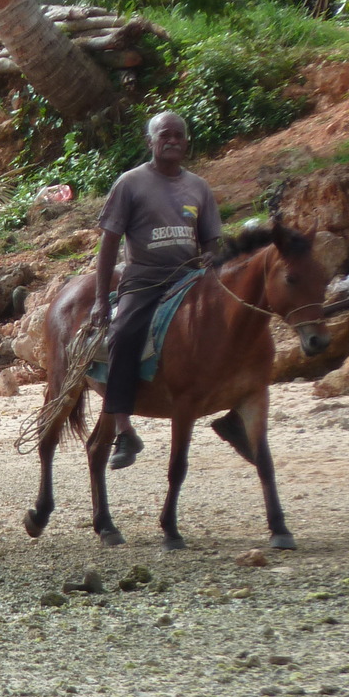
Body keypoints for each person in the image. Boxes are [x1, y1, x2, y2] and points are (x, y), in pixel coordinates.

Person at [90, 111, 222, 469]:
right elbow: (109, 243)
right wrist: (102, 299)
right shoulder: (130, 183)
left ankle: (235, 406)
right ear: (150, 142)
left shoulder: (199, 187)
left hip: (189, 278)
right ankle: (123, 429)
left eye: (179, 135)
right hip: (144, 279)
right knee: (123, 332)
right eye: (165, 135)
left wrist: (210, 263)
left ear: (187, 141)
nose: (173, 140)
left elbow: (211, 241)